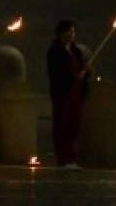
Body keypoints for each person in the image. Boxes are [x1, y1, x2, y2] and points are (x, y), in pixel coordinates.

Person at [46, 20, 89, 169]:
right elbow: (55, 73)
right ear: (61, 33)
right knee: (62, 125)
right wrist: (73, 77)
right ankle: (64, 159)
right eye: (69, 32)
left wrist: (86, 72)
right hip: (62, 92)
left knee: (74, 124)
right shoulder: (54, 51)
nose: (72, 35)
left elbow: (82, 67)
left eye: (73, 32)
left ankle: (72, 158)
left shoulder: (76, 50)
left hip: (76, 93)